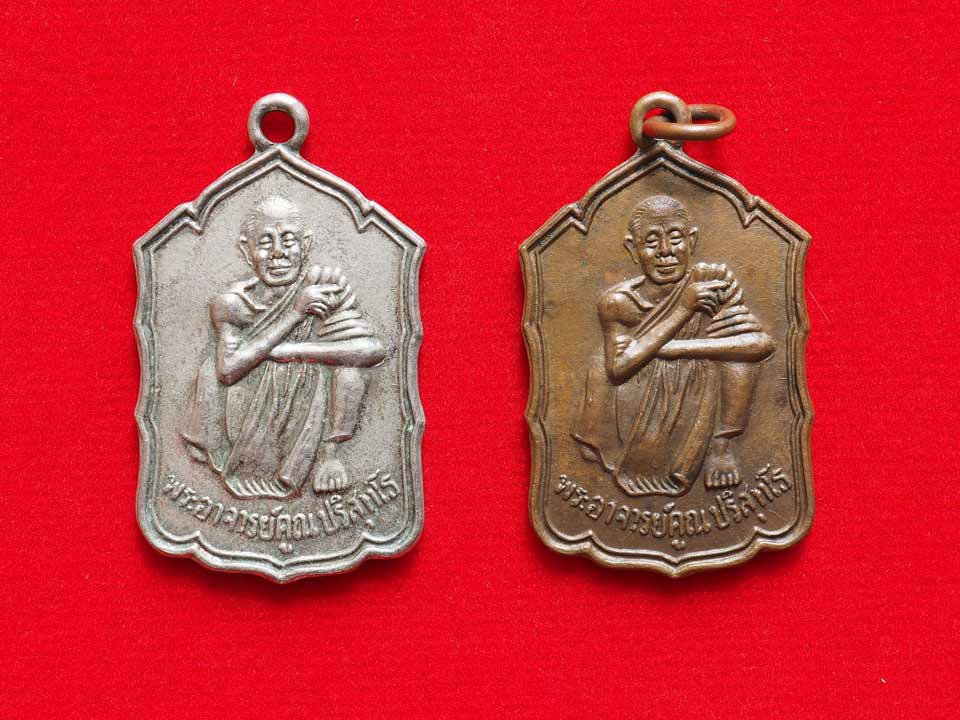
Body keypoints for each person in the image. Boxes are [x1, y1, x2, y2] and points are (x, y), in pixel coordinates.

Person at [181, 196, 386, 499]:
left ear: (305, 244)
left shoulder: (324, 284)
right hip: (242, 409)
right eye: (265, 242)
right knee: (210, 368)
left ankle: (329, 457)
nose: (278, 252)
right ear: (246, 250)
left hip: (308, 397)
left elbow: (371, 351)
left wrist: (293, 352)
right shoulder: (232, 303)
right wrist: (296, 313)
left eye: (288, 240)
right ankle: (235, 458)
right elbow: (227, 370)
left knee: (350, 371)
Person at [573, 195, 774, 497]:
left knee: (737, 357)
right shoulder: (618, 302)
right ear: (633, 249)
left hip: (698, 384)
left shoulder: (710, 281)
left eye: (676, 238)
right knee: (600, 360)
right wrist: (684, 308)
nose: (665, 251)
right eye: (651, 242)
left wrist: (677, 348)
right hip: (635, 396)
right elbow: (618, 368)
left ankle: (721, 446)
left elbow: (760, 345)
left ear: (691, 241)